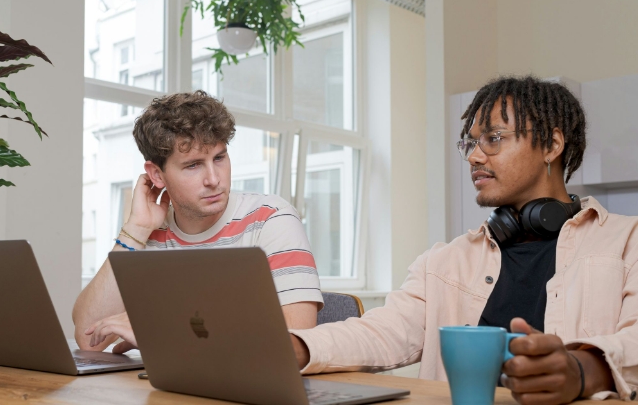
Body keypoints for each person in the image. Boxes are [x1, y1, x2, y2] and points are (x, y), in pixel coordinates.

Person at [289, 76, 638, 404]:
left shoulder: (627, 241)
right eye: (470, 142)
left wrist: (582, 370)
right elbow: (382, 332)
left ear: (552, 144)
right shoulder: (443, 261)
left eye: (494, 138)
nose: (474, 156)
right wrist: (295, 347)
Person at [73, 91, 323, 353]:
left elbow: (297, 342)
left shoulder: (271, 218)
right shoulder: (149, 234)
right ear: (157, 174)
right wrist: (135, 229)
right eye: (193, 165)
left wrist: (163, 334)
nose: (214, 179)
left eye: (219, 158)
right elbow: (88, 338)